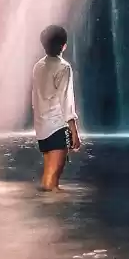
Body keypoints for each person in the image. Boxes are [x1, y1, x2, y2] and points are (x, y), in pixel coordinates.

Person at [30, 24, 81, 191]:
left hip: (42, 128)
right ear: (63, 45)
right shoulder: (63, 67)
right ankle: (53, 211)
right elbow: (66, 100)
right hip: (58, 127)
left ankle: (44, 211)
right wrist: (74, 131)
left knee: (48, 177)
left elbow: (35, 98)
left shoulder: (38, 66)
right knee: (53, 182)